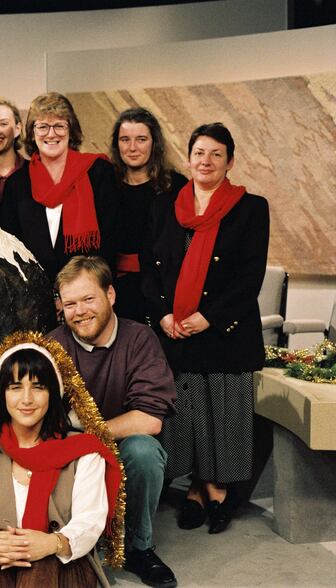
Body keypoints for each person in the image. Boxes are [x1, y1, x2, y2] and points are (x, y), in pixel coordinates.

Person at [141, 122, 269, 535]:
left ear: (230, 161)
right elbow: (149, 269)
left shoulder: (251, 209)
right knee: (189, 414)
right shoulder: (165, 206)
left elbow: (250, 276)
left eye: (216, 154)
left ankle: (216, 489)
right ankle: (198, 486)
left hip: (224, 334)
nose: (206, 161)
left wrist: (209, 316)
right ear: (189, 157)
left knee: (224, 412)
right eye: (199, 153)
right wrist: (162, 315)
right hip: (175, 333)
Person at [0, 333, 123, 587]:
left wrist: (50, 543)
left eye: (38, 387)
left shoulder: (83, 452)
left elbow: (90, 521)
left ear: (53, 393)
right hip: (2, 561)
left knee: (39, 568)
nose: (26, 399)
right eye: (15, 387)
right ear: (2, 394)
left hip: (63, 564)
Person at [49, 256, 178, 588]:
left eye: (88, 299)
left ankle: (140, 548)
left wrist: (90, 436)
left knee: (144, 451)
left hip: (117, 445)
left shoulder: (140, 339)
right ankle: (67, 543)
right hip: (67, 448)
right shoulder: (51, 345)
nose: (80, 311)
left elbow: (150, 419)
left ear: (111, 295)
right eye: (70, 303)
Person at [0, 92, 119, 283]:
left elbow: (111, 238)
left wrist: (80, 288)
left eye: (59, 126)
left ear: (71, 130)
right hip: (35, 292)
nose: (51, 134)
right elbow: (9, 246)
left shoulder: (98, 172)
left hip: (87, 289)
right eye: (43, 127)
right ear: (31, 132)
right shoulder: (17, 183)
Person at [109, 108, 187, 323]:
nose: (132, 148)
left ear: (155, 143)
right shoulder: (106, 184)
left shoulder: (176, 186)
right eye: (125, 139)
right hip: (115, 290)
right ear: (117, 144)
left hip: (163, 290)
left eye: (141, 139)